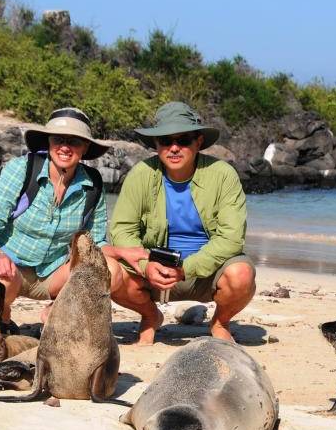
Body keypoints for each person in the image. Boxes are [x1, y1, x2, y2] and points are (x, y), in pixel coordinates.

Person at [0, 107, 147, 330]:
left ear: (84, 148)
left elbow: (94, 245)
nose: (65, 147)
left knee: (110, 271)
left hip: (55, 273)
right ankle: (3, 315)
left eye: (74, 141)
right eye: (59, 139)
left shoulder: (92, 184)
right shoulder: (21, 170)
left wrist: (122, 252)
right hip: (7, 266)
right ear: (48, 142)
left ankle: (58, 315)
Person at [108, 102, 256, 345]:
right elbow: (123, 230)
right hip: (153, 271)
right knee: (107, 270)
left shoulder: (223, 174)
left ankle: (220, 322)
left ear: (198, 142)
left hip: (206, 274)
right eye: (166, 141)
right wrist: (146, 266)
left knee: (241, 274)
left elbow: (231, 239)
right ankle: (149, 316)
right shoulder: (141, 174)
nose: (174, 148)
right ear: (156, 144)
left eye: (183, 140)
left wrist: (186, 268)